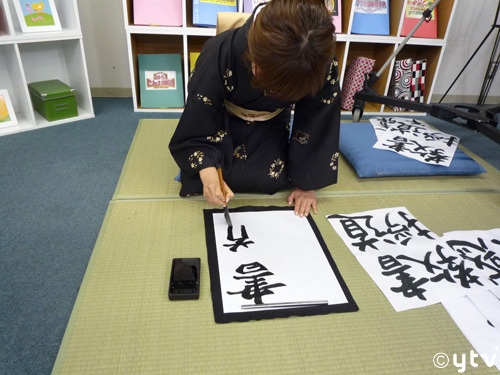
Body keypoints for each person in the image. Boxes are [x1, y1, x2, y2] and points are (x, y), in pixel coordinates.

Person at [169, 0, 341, 217]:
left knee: (269, 178)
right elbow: (199, 115)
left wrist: (307, 184)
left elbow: (319, 116)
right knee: (215, 177)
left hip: (273, 121)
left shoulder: (319, 60)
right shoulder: (220, 51)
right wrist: (208, 174)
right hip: (223, 120)